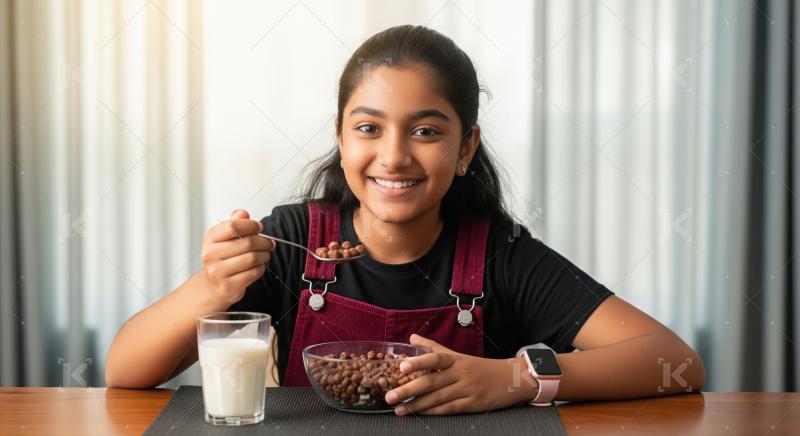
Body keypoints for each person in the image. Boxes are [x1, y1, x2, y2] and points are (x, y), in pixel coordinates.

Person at [105, 25, 705, 415]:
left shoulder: (501, 255)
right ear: (341, 138)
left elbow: (675, 362)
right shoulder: (291, 241)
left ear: (465, 148)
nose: (393, 156)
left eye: (425, 131)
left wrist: (513, 378)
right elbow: (125, 372)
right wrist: (211, 287)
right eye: (369, 128)